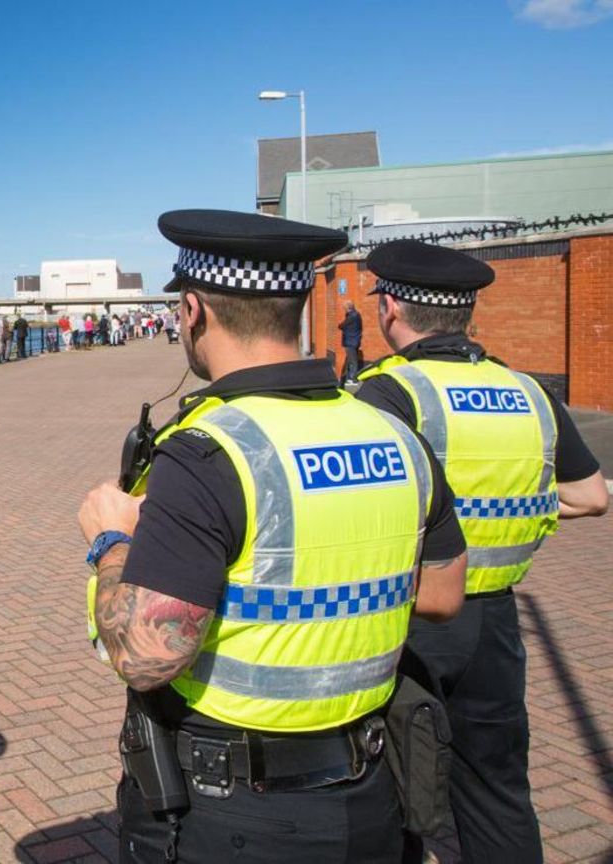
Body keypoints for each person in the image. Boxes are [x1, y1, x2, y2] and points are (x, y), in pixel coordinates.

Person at [81, 210, 468, 863]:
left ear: (193, 310)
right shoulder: (395, 435)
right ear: (296, 308)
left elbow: (146, 655)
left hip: (238, 810)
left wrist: (109, 542)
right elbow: (443, 592)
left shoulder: (209, 452)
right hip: (373, 792)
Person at [354, 239, 609, 864]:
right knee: (497, 787)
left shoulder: (385, 393)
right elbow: (592, 496)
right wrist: (519, 515)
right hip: (493, 623)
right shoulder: (527, 390)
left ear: (390, 308)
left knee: (395, 787)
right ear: (465, 314)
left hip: (407, 619)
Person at [339, 301, 364, 385]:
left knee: (353, 360)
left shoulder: (353, 316)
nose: (344, 310)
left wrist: (340, 325)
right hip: (353, 340)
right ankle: (350, 377)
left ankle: (353, 379)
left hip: (351, 341)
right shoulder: (354, 315)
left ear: (348, 308)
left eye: (345, 308)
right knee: (350, 360)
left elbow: (342, 325)